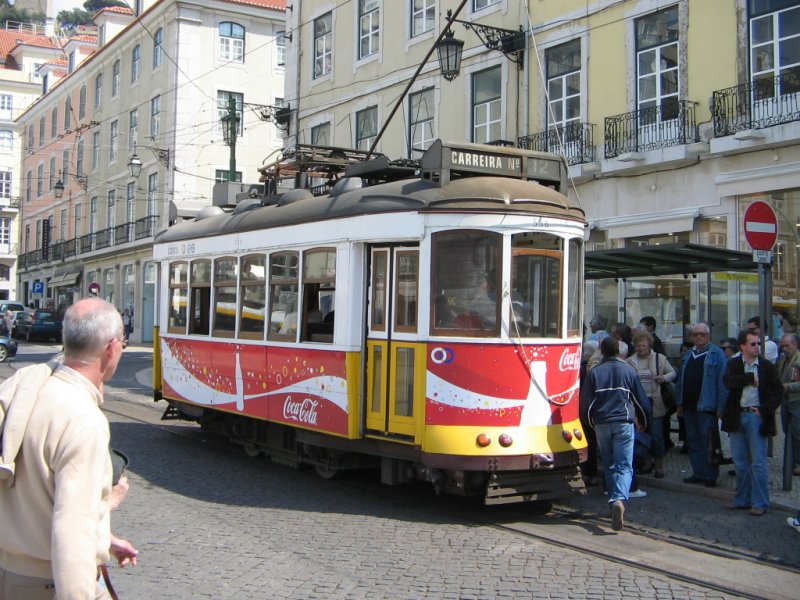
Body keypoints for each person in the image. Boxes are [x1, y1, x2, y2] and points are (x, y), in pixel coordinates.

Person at [0, 298, 138, 598]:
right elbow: (72, 530)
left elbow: (33, 495)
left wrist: (102, 535)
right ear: (112, 348)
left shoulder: (25, 388)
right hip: (45, 582)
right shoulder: (83, 421)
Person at [581, 337, 651, 531]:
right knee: (624, 466)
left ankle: (612, 502)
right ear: (619, 352)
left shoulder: (594, 373)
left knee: (609, 464)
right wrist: (643, 421)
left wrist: (591, 423)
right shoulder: (629, 370)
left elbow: (586, 405)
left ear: (602, 352)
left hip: (602, 424)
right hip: (623, 422)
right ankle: (619, 499)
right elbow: (641, 402)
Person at [722, 329, 783, 515]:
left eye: (758, 343)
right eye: (753, 344)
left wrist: (764, 410)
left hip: (755, 416)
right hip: (737, 416)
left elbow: (778, 392)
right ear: (743, 347)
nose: (757, 347)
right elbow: (728, 382)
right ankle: (742, 499)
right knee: (740, 462)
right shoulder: (734, 364)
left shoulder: (766, 366)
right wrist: (749, 378)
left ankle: (760, 502)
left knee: (758, 462)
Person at [677, 322, 728, 487]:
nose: (699, 337)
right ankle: (698, 472)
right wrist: (679, 403)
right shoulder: (688, 355)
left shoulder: (717, 354)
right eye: (696, 334)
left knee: (709, 442)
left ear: (708, 336)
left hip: (707, 407)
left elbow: (722, 383)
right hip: (689, 406)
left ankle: (710, 475)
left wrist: (721, 407)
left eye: (702, 334)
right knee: (693, 441)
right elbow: (681, 381)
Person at [627, 331, 676, 479]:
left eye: (644, 345)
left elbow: (673, 373)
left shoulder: (659, 358)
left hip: (655, 401)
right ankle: (647, 463)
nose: (641, 348)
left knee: (656, 435)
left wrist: (663, 378)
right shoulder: (630, 361)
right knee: (643, 434)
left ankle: (659, 465)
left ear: (649, 346)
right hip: (638, 403)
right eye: (638, 346)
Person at [776, 333, 800, 476]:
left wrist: (789, 387)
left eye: (787, 345)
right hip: (785, 401)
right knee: (787, 431)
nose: (784, 348)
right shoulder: (783, 360)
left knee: (797, 432)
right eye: (783, 346)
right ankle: (791, 461)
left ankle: (798, 462)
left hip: (797, 400)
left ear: (795, 344)